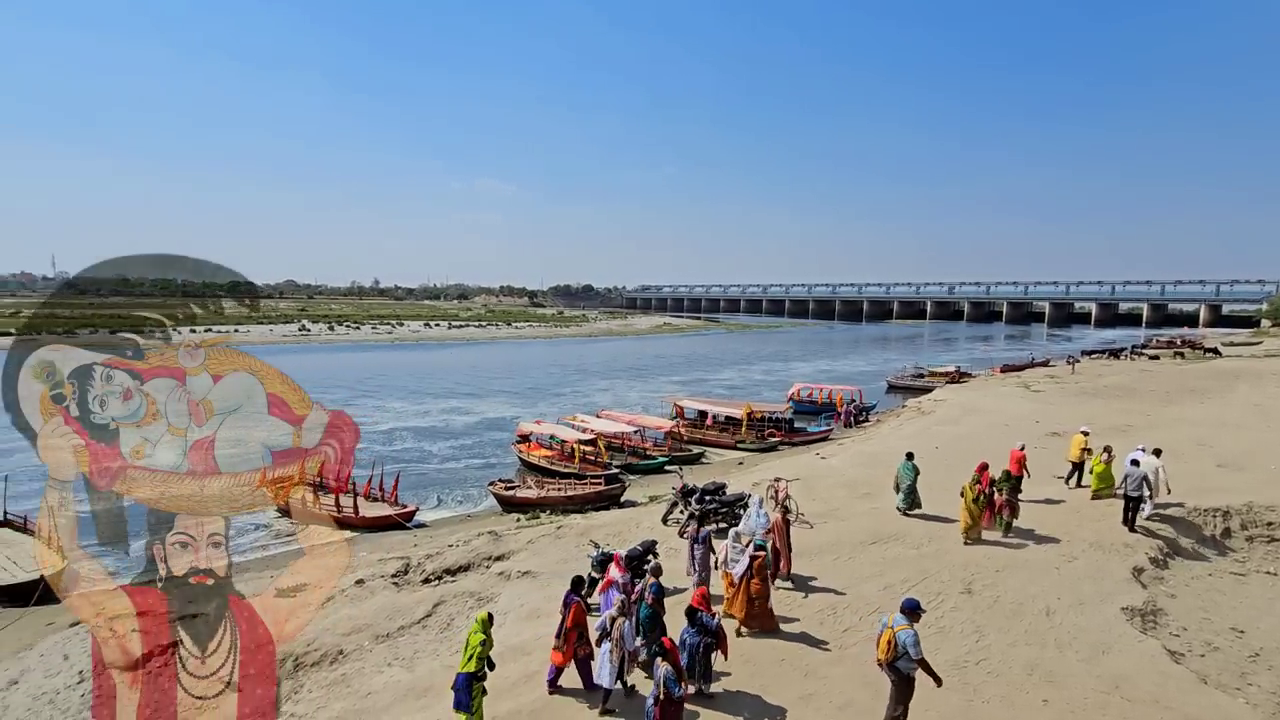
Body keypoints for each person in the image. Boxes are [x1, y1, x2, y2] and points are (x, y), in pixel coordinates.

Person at [877, 598, 943, 720]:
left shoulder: (889, 619)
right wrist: (935, 677)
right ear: (908, 613)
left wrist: (880, 658)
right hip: (902, 674)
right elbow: (919, 660)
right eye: (918, 613)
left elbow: (880, 637)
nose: (920, 616)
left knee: (900, 704)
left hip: (888, 663)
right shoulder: (909, 635)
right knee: (898, 707)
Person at [548, 575, 599, 694]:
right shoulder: (577, 603)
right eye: (583, 585)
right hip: (576, 638)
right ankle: (589, 685)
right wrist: (581, 630)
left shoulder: (568, 594)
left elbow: (562, 611)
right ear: (579, 586)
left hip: (563, 634)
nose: (584, 587)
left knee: (561, 659)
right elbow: (571, 623)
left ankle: (551, 683)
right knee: (583, 660)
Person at [679, 587, 729, 698]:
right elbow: (714, 626)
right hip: (699, 644)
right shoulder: (702, 615)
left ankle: (689, 688)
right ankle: (703, 690)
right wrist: (718, 617)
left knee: (690, 665)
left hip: (686, 640)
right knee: (704, 666)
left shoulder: (690, 610)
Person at [593, 594, 638, 716]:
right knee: (611, 679)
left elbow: (596, 627)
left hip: (606, 648)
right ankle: (603, 706)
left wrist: (608, 630)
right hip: (618, 653)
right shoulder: (625, 622)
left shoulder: (608, 614)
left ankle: (627, 689)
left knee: (617, 673)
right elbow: (629, 645)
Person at [723, 540, 780, 636]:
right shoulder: (759, 562)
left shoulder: (750, 561)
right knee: (763, 609)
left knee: (747, 608)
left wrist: (751, 552)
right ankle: (767, 626)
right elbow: (764, 554)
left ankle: (739, 627)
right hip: (762, 589)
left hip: (751, 588)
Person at [452, 611, 497, 719]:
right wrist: (481, 674)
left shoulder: (473, 633)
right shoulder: (483, 640)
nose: (492, 624)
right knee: (471, 711)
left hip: (462, 675)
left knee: (469, 710)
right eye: (490, 622)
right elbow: (477, 659)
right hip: (471, 678)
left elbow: (474, 653)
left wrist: (488, 658)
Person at [635, 561, 668, 675]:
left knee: (647, 636)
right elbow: (651, 600)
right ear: (656, 571)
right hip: (651, 615)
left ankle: (645, 658)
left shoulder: (647, 579)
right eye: (660, 568)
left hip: (644, 612)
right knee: (654, 637)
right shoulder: (655, 585)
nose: (662, 570)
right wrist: (661, 610)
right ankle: (646, 662)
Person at [645, 637, 686, 720]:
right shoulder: (668, 671)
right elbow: (678, 695)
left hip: (652, 702)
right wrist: (683, 683)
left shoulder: (657, 661)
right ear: (668, 653)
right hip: (661, 708)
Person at [680, 512, 714, 591]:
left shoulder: (691, 531)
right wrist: (715, 554)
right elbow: (709, 546)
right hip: (704, 556)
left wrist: (685, 523)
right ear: (704, 520)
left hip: (694, 556)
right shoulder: (706, 532)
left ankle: (697, 592)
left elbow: (680, 534)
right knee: (705, 573)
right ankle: (705, 592)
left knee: (696, 572)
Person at [1120, 457, 1153, 533]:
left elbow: (1122, 480)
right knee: (1134, 511)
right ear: (1138, 465)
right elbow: (1148, 483)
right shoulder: (1143, 472)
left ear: (1131, 464)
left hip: (1128, 493)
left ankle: (1125, 521)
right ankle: (1131, 527)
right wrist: (1150, 491)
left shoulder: (1127, 470)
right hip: (1138, 495)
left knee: (1126, 508)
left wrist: (1117, 487)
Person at [596, 552, 633, 617]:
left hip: (609, 594)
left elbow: (607, 576)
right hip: (618, 596)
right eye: (625, 559)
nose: (627, 561)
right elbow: (623, 590)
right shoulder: (621, 574)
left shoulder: (611, 565)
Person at [1140, 448, 1171, 519]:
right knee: (1151, 500)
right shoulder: (1159, 463)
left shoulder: (1142, 460)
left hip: (1141, 481)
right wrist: (1167, 487)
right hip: (1152, 483)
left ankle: (1139, 510)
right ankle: (1145, 515)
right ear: (1159, 455)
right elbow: (1163, 477)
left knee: (1140, 496)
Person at [767, 504, 793, 584]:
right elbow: (769, 529)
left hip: (785, 546)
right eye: (781, 512)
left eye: (784, 513)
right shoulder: (775, 520)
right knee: (775, 564)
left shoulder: (787, 521)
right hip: (776, 545)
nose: (782, 514)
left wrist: (789, 545)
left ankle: (787, 576)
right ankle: (772, 580)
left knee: (788, 561)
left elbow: (788, 534)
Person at [959, 469, 984, 545]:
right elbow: (981, 498)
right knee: (976, 522)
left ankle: (964, 535)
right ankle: (977, 536)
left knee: (965, 521)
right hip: (975, 507)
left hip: (965, 506)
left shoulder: (965, 485)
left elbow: (961, 494)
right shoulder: (979, 488)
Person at [993, 469, 1021, 538]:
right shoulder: (1012, 483)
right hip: (1010, 503)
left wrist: (999, 479)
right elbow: (1019, 490)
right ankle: (1005, 531)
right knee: (1009, 517)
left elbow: (995, 485)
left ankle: (1000, 527)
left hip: (999, 502)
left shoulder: (1000, 483)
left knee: (998, 514)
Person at [894, 451, 922, 516]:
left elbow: (898, 472)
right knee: (907, 497)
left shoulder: (901, 464)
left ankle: (900, 506)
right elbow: (917, 472)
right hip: (909, 484)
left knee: (902, 495)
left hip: (901, 482)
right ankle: (902, 509)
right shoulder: (912, 465)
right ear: (911, 457)